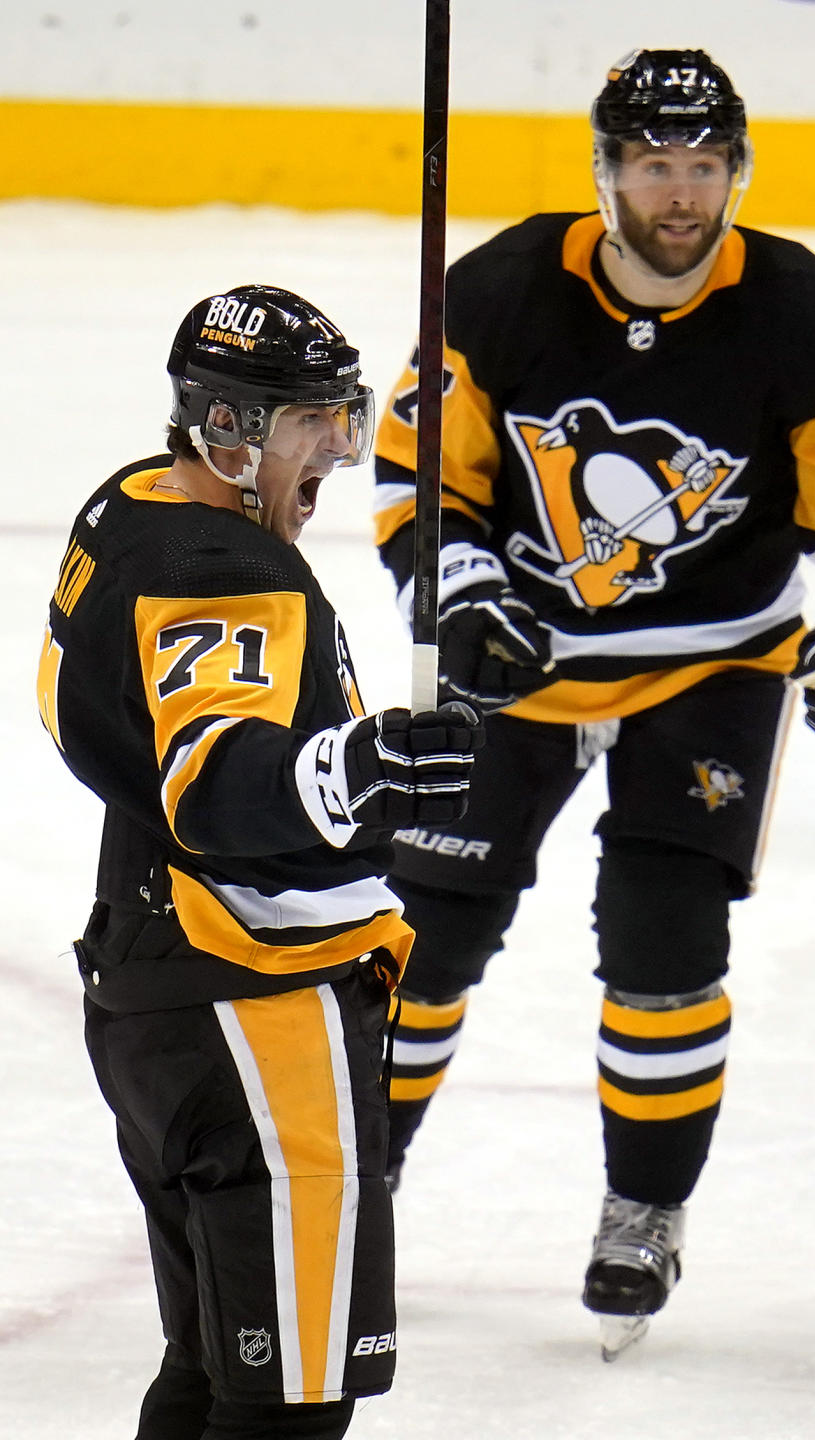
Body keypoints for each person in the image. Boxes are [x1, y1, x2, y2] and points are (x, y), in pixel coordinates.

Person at [371, 49, 815, 1353]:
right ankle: (358, 1174)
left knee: (665, 942)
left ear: (736, 172)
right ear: (606, 172)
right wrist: (464, 596)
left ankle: (644, 1208)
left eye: (702, 167)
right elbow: (419, 478)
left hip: (714, 664)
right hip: (527, 657)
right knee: (433, 930)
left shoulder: (804, 311)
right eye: (652, 165)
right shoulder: (502, 290)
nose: (677, 195)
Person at [36, 283, 482, 1438]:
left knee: (211, 1372)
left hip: (151, 982)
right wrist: (353, 772)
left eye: (341, 412)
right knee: (290, 1402)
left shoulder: (125, 507)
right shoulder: (222, 570)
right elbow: (215, 774)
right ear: (227, 429)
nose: (339, 443)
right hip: (254, 1011)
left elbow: (100, 724)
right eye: (307, 421)